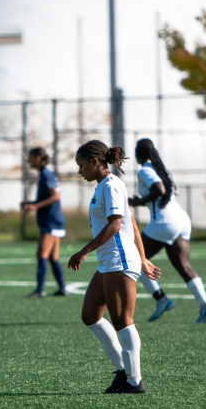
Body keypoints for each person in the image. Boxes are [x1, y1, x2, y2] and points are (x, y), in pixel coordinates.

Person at [68, 140, 160, 394]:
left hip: (119, 260)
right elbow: (131, 223)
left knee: (122, 321)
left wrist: (84, 251)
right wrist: (143, 258)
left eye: (82, 165)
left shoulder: (112, 185)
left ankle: (134, 381)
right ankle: (123, 371)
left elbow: (116, 225)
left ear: (96, 162)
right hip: (111, 261)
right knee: (90, 315)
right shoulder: (103, 187)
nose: (80, 171)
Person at [128, 138, 206, 323]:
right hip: (181, 220)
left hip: (165, 223)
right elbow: (159, 196)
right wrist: (143, 201)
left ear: (138, 154)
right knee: (183, 267)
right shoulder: (158, 168)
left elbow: (158, 190)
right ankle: (205, 306)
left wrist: (137, 202)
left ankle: (161, 299)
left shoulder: (145, 170)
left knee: (136, 259)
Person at [20, 147, 67, 298]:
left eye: (32, 157)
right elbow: (46, 198)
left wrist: (35, 206)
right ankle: (62, 289)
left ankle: (40, 290)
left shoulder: (46, 174)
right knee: (53, 257)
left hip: (51, 222)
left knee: (42, 253)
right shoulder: (43, 175)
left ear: (39, 158)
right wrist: (31, 203)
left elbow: (55, 196)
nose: (29, 160)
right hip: (52, 221)